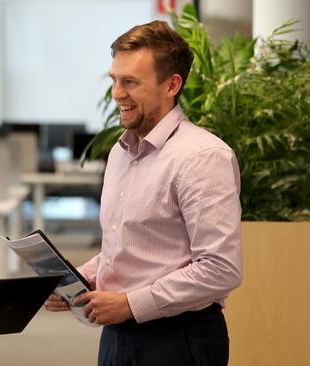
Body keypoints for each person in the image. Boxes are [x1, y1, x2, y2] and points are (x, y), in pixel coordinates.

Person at [44, 20, 242, 365]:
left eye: (131, 82)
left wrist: (132, 303)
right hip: (118, 335)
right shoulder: (121, 153)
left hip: (178, 339)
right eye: (115, 80)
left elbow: (220, 268)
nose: (117, 93)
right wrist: (80, 280)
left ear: (172, 85)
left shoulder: (203, 157)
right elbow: (125, 247)